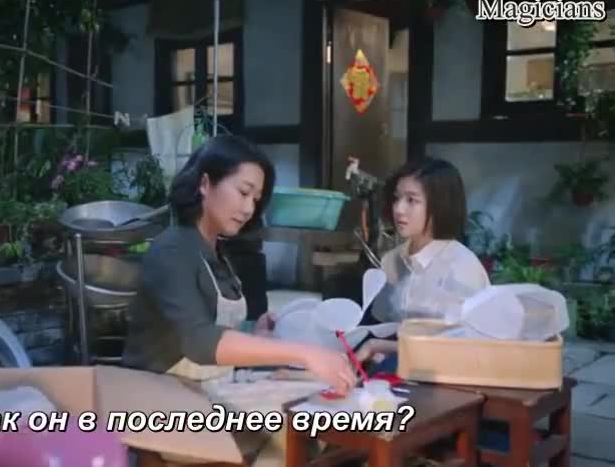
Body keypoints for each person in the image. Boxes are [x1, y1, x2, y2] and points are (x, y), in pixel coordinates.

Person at [122, 134, 357, 395]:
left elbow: (217, 330)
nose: (248, 209)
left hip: (205, 388)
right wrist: (305, 353)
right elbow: (200, 342)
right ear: (205, 184)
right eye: (244, 192)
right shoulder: (173, 250)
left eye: (255, 199)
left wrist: (256, 335)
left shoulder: (216, 252)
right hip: (158, 396)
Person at [356, 156, 491, 369]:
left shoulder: (462, 267)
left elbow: (467, 347)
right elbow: (384, 327)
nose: (399, 209)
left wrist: (380, 346)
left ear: (440, 205)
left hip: (449, 377)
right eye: (397, 198)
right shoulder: (392, 260)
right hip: (398, 373)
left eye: (412, 200)